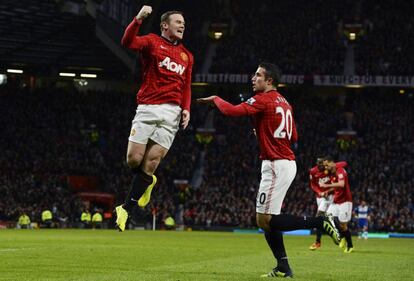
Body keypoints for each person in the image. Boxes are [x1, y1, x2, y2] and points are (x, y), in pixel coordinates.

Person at [197, 63, 340, 278]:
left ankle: (320, 221)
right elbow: (293, 137)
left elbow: (232, 111)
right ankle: (283, 265)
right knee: (266, 220)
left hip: (276, 164)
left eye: (258, 75)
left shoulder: (263, 99)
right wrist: (264, 128)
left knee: (266, 220)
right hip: (284, 162)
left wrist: (216, 99)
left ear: (269, 80)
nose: (253, 78)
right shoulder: (285, 102)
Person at [115, 5, 194, 232]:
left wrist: (186, 109)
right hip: (148, 108)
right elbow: (127, 43)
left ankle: (125, 209)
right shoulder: (151, 41)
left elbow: (187, 85)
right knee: (133, 159)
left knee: (151, 163)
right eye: (178, 22)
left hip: (172, 113)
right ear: (164, 26)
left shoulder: (187, 56)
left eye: (184, 23)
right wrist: (138, 19)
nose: (182, 25)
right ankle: (147, 180)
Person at [309, 158, 347, 250]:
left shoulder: (329, 169)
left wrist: (327, 191)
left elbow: (344, 163)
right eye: (319, 165)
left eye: (323, 164)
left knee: (321, 217)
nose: (321, 166)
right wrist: (319, 192)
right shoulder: (313, 171)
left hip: (330, 196)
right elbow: (313, 184)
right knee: (328, 218)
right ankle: (342, 237)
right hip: (320, 197)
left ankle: (318, 242)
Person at [321, 157, 354, 253]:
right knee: (327, 217)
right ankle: (342, 236)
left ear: (332, 163)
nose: (325, 167)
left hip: (345, 201)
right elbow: (336, 186)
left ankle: (350, 246)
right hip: (336, 200)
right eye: (324, 165)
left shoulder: (340, 170)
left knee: (343, 224)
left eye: (327, 165)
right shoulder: (332, 173)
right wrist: (327, 191)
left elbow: (341, 184)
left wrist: (326, 186)